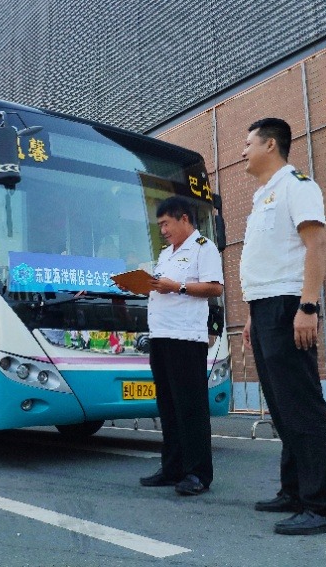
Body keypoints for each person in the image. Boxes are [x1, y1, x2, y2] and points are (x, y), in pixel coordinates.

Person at [240, 118, 326, 535]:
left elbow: (315, 245)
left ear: (270, 144)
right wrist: (251, 314)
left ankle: (324, 506)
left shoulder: (296, 185)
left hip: (288, 307)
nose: (242, 151)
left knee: (302, 406)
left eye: (248, 143)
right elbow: (267, 260)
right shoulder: (262, 195)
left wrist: (308, 306)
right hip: (265, 308)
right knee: (282, 407)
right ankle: (296, 489)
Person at [137, 196, 224, 496]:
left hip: (186, 338)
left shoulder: (203, 248)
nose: (162, 230)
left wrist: (178, 287)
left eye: (165, 224)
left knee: (191, 407)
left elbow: (215, 287)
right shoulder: (166, 255)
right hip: (160, 336)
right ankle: (172, 467)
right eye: (160, 225)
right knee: (169, 406)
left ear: (184, 219)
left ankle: (198, 473)